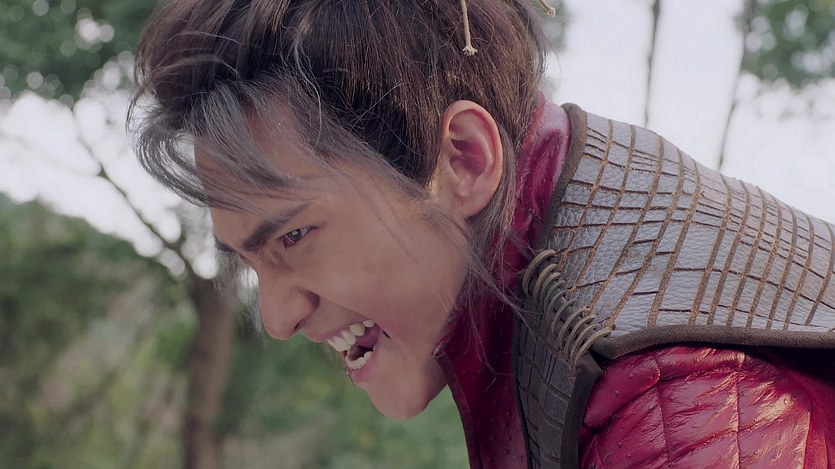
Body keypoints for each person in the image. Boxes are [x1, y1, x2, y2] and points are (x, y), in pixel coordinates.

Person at [130, 0, 835, 467]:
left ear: (464, 159)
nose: (278, 317)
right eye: (251, 262)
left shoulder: (678, 409)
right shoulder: (566, 215)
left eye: (292, 238)